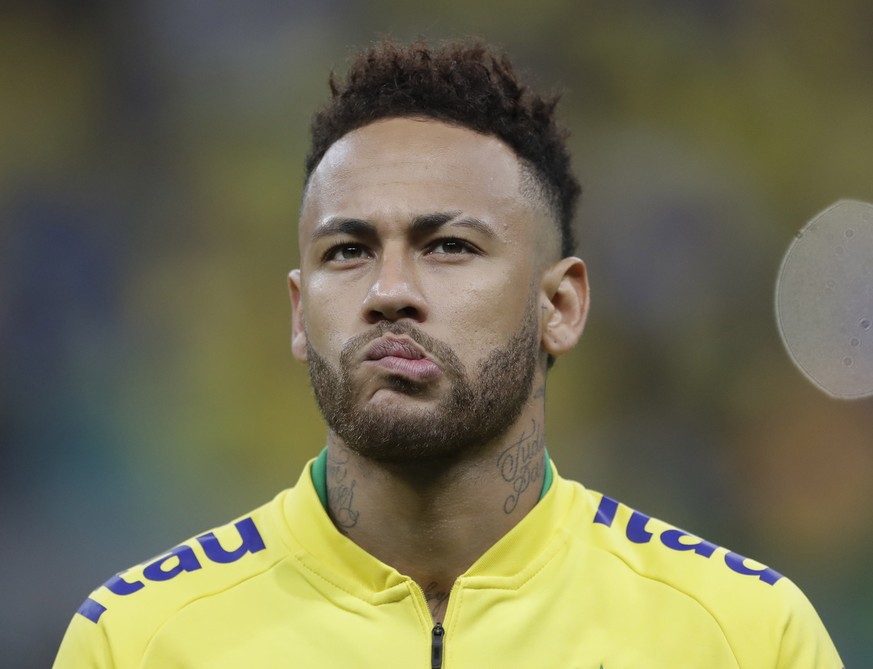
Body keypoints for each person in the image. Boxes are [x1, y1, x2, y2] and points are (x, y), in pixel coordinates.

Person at [54, 39, 843, 668]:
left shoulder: (743, 637)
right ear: (299, 313)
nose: (389, 289)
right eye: (347, 251)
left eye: (450, 245)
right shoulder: (138, 641)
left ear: (559, 305)